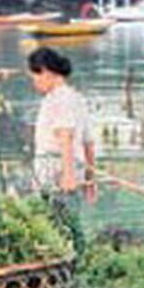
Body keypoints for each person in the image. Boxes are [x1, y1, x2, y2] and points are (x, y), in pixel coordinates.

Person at [28, 46, 96, 204]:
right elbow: (89, 144)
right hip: (71, 171)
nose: (35, 84)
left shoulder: (60, 99)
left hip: (56, 173)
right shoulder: (76, 98)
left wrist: (68, 175)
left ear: (46, 72)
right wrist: (90, 179)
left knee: (52, 219)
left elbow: (65, 136)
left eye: (35, 78)